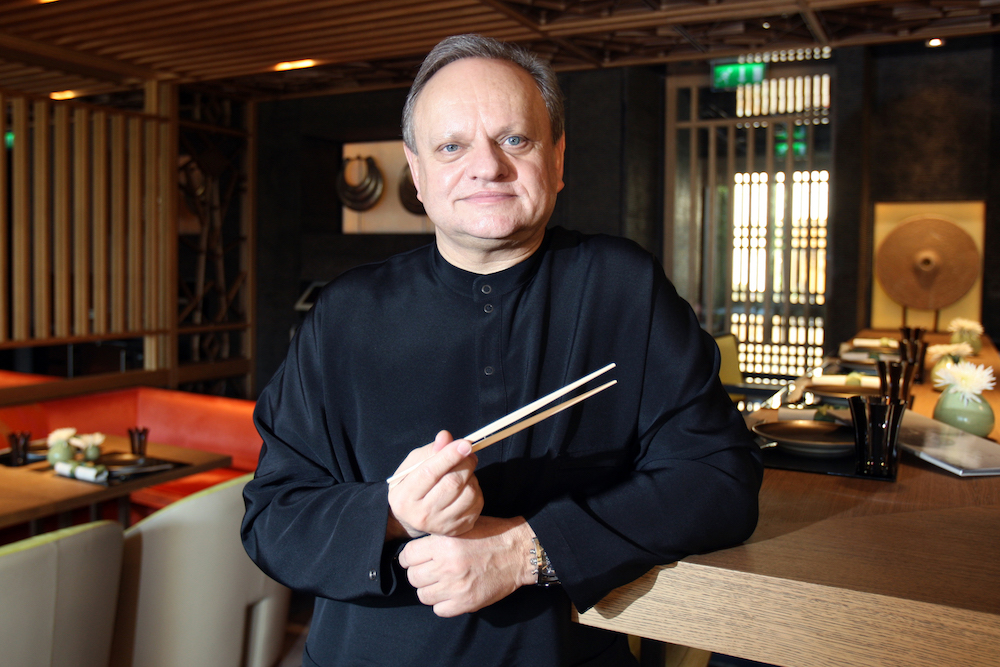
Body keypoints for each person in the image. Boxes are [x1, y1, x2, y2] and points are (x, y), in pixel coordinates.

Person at [242, 34, 762, 667]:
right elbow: (272, 519)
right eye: (451, 147)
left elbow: (720, 480)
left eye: (514, 139)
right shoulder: (346, 314)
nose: (487, 167)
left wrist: (524, 551)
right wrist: (392, 511)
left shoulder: (620, 288)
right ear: (417, 173)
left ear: (558, 157)